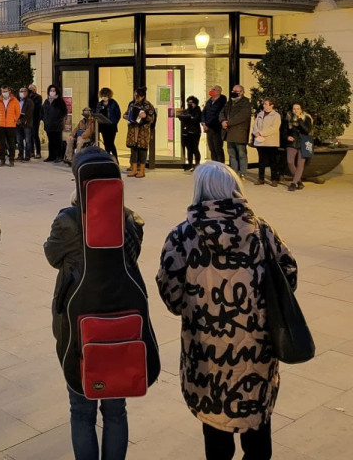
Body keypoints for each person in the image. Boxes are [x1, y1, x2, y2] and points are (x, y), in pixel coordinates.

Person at [157, 162, 298, 460]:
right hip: (257, 348)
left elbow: (171, 296)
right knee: (257, 428)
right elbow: (289, 274)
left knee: (215, 430)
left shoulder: (181, 236)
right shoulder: (261, 230)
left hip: (206, 354)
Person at [44, 156, 145, 460]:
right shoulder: (129, 219)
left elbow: (52, 255)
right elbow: (133, 257)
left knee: (81, 409)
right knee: (116, 409)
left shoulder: (69, 219)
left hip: (78, 322)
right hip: (120, 318)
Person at [219, 85, 251, 178]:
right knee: (232, 154)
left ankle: (243, 172)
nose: (234, 92)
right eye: (233, 90)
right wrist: (222, 121)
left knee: (241, 154)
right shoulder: (229, 102)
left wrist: (228, 123)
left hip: (239, 132)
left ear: (242, 92)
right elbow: (221, 113)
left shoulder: (246, 103)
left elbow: (241, 117)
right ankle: (234, 172)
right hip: (229, 132)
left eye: (237, 91)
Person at [123, 87, 155, 178]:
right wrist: (125, 116)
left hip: (143, 130)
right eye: (135, 95)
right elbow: (127, 113)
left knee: (142, 150)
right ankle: (133, 169)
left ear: (143, 96)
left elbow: (151, 119)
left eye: (138, 96)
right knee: (133, 149)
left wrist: (145, 116)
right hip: (133, 129)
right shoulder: (132, 104)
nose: (136, 97)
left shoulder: (148, 105)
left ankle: (142, 170)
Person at [252, 97, 282, 186]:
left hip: (271, 142)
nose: (264, 105)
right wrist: (256, 133)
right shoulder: (260, 114)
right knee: (261, 161)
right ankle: (261, 178)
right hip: (260, 142)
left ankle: (274, 179)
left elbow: (274, 128)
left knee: (273, 161)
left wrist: (261, 133)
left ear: (271, 105)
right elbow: (255, 125)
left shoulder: (276, 116)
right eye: (264, 104)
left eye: (266, 104)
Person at [285, 102, 313, 192]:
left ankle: (293, 183)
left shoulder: (307, 118)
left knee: (300, 164)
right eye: (294, 109)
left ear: (301, 110)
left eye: (298, 109)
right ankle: (299, 181)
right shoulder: (288, 118)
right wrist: (287, 137)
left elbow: (307, 130)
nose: (296, 110)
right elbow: (284, 131)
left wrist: (300, 120)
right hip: (292, 142)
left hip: (303, 142)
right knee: (290, 162)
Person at [0, 85, 20, 167]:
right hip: (1, 124)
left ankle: (11, 160)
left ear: (9, 91)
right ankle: (2, 160)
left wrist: (14, 119)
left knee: (11, 143)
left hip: (11, 125)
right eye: (3, 91)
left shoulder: (14, 100)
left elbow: (18, 112)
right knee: (1, 143)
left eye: (6, 91)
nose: (4, 93)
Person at [42, 85, 68, 163]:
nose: (52, 92)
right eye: (51, 90)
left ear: (56, 92)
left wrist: (58, 119)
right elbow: (42, 112)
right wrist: (44, 119)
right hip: (48, 125)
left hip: (57, 125)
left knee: (57, 141)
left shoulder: (60, 101)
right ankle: (51, 156)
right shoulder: (46, 101)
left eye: (54, 90)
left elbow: (64, 112)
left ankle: (59, 156)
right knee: (51, 141)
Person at [177, 96, 203, 171]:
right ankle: (190, 163)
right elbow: (182, 117)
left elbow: (195, 119)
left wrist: (188, 117)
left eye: (191, 103)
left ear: (195, 103)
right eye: (188, 102)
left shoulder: (197, 110)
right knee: (189, 148)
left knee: (195, 148)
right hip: (186, 131)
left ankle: (197, 163)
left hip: (195, 132)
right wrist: (186, 117)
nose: (189, 104)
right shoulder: (187, 110)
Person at [95, 88, 121, 161]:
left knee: (111, 143)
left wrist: (113, 122)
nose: (104, 97)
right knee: (106, 143)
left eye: (106, 95)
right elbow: (97, 113)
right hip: (103, 126)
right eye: (103, 95)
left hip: (111, 126)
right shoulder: (100, 104)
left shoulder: (113, 103)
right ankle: (107, 159)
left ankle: (115, 158)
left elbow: (118, 114)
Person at [202, 85, 226, 162]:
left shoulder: (222, 102)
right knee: (211, 148)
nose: (211, 90)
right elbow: (204, 112)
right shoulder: (209, 101)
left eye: (213, 89)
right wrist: (203, 124)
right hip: (208, 128)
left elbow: (217, 115)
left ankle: (221, 166)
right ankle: (214, 165)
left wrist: (208, 124)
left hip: (217, 128)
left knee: (218, 148)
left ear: (218, 92)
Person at [15, 86, 34, 162]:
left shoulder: (30, 102)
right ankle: (20, 155)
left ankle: (27, 155)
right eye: (21, 91)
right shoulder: (16, 101)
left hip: (27, 124)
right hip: (17, 123)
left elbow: (29, 113)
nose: (22, 93)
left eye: (24, 91)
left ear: (27, 93)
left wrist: (22, 120)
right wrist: (16, 120)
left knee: (27, 140)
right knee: (19, 140)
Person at [28, 84, 43, 159]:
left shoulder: (38, 97)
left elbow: (35, 107)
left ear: (35, 89)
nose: (30, 90)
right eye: (29, 89)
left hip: (35, 119)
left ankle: (38, 152)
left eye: (31, 89)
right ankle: (31, 152)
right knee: (29, 136)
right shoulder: (27, 97)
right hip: (28, 119)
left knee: (35, 135)